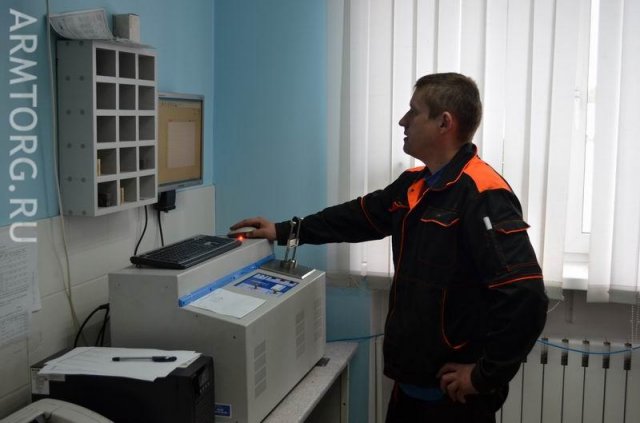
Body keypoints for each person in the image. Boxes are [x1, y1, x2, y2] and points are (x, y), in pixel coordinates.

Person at [231, 73, 548, 422]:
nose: (403, 121)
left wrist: (483, 376)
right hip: (409, 385)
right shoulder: (415, 184)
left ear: (444, 123)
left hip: (453, 400)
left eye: (414, 111)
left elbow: (525, 295)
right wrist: (285, 230)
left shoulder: (482, 193)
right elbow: (357, 217)